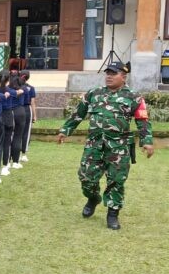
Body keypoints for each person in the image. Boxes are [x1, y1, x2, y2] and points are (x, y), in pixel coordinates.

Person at [57, 61, 154, 230]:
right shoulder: (94, 93)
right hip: (94, 145)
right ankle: (93, 198)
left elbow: (142, 120)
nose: (109, 76)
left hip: (119, 147)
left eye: (113, 73)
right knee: (86, 178)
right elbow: (78, 114)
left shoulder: (134, 97)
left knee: (116, 181)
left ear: (123, 77)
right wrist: (65, 130)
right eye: (107, 73)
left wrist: (147, 141)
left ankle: (112, 214)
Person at [20, 70, 37, 162]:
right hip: (27, 109)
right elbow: (32, 102)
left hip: (17, 109)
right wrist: (34, 115)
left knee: (16, 132)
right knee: (26, 132)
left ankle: (14, 154)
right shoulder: (31, 88)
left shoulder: (15, 87)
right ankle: (23, 154)